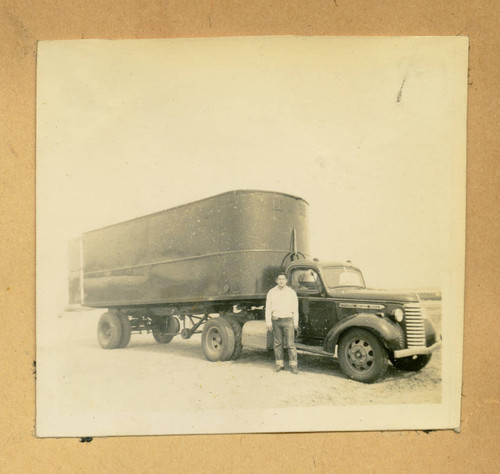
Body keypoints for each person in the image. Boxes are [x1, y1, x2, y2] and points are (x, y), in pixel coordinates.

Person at [265, 272, 299, 374]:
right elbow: (268, 308)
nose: (281, 281)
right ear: (276, 281)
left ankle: (293, 365)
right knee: (277, 344)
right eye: (279, 279)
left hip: (288, 320)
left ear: (286, 281)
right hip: (276, 321)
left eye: (283, 279)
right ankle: (279, 364)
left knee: (290, 344)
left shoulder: (291, 292)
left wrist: (295, 322)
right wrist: (268, 322)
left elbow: (295, 309)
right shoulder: (271, 292)